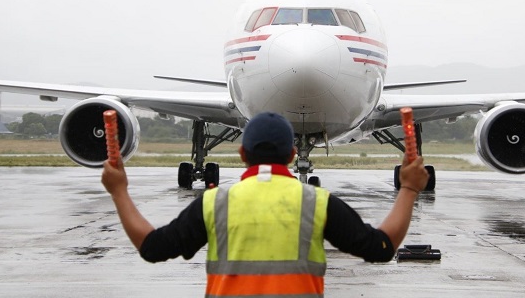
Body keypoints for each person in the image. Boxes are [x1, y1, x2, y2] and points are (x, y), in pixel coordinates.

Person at [102, 111, 429, 297]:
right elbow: (383, 247)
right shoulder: (316, 203)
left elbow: (151, 247)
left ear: (243, 154)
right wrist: (409, 189)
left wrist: (119, 191)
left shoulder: (215, 203)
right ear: (290, 156)